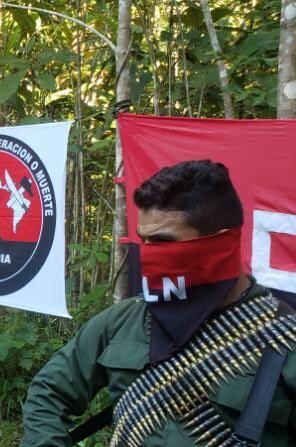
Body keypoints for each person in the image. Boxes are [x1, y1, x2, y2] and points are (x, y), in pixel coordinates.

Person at [21, 160, 296, 446]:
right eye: (144, 240)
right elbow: (49, 392)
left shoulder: (283, 339)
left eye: (163, 241)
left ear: (220, 245)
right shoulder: (127, 318)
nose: (148, 255)